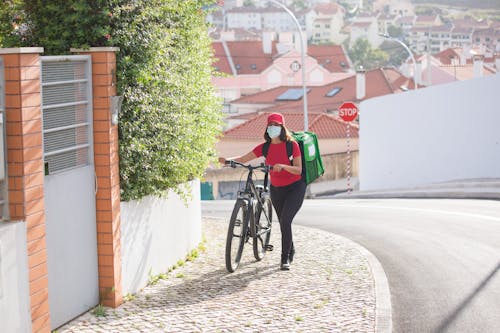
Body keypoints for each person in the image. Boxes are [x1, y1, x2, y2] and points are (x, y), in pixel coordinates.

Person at [219, 113, 306, 270]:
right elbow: (244, 158)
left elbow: (299, 170)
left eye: (276, 125)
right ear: (267, 128)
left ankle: (285, 258)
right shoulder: (265, 147)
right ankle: (290, 249)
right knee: (283, 223)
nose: (273, 128)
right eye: (270, 125)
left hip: (295, 188)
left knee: (286, 221)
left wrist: (284, 166)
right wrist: (228, 161)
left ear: (282, 128)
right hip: (276, 189)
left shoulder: (291, 145)